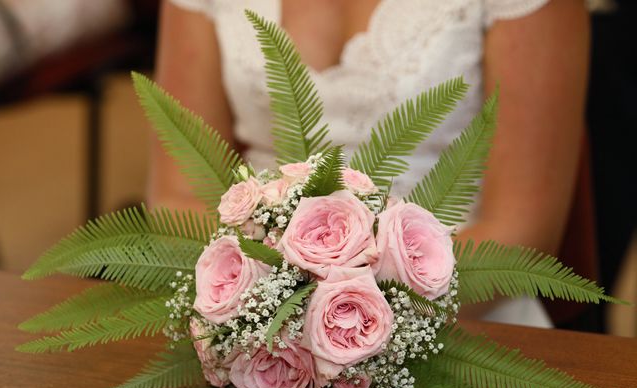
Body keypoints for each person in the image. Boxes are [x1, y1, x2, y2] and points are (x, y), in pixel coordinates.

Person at [151, 0, 590, 328]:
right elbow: (178, 196)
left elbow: (523, 231)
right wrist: (266, 310)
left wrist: (354, 325)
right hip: (256, 329)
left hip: (461, 311)